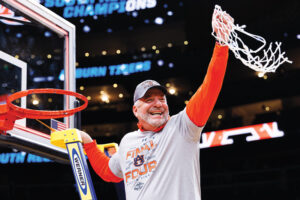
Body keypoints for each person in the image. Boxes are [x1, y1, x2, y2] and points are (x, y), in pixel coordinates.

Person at [79, 11, 233, 200]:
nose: (158, 104)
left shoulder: (183, 126)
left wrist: (221, 43)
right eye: (149, 100)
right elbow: (108, 172)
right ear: (135, 110)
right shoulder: (128, 141)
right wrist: (88, 143)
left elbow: (210, 87)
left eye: (161, 99)